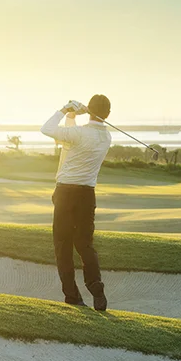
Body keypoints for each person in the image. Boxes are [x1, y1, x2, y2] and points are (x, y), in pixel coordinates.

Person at [40, 95, 112, 311]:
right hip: (87, 195)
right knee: (85, 244)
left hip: (65, 194)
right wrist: (73, 116)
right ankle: (96, 289)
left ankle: (72, 296)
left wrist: (65, 110)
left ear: (90, 110)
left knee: (63, 246)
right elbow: (70, 139)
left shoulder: (79, 134)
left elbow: (47, 129)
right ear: (108, 114)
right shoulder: (106, 137)